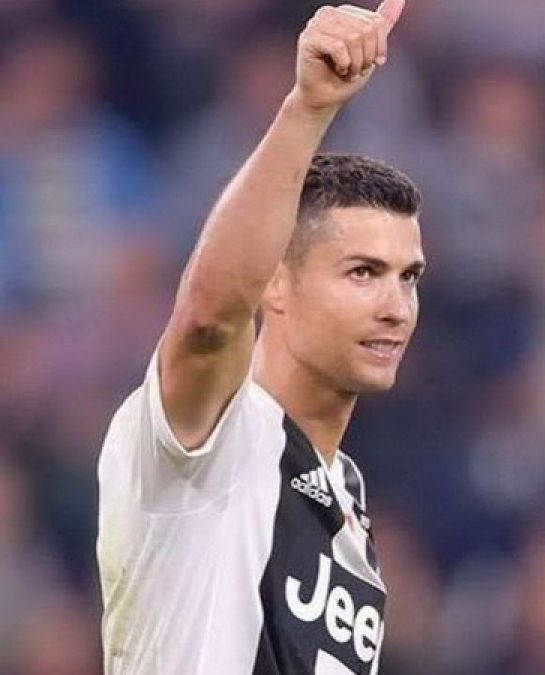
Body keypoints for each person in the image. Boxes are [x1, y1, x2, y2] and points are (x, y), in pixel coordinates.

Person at [95, 2, 425, 673]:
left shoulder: (347, 499)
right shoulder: (213, 437)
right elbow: (209, 319)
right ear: (274, 281)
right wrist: (308, 109)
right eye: (363, 273)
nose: (396, 307)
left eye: (408, 277)